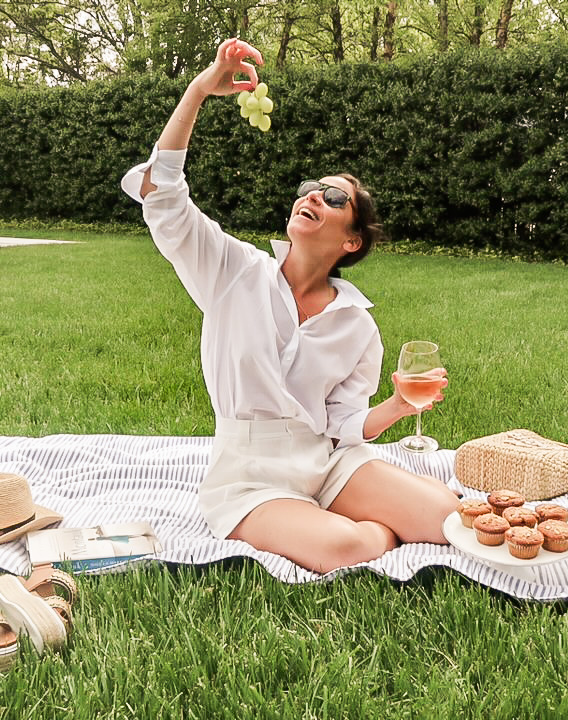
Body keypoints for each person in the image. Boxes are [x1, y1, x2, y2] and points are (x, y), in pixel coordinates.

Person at [120, 38, 458, 574]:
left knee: (447, 518)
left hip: (327, 463)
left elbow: (346, 426)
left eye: (336, 197)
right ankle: (351, 527)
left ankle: (341, 513)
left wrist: (396, 405)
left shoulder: (356, 326)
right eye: (311, 188)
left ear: (353, 242)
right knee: (345, 548)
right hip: (250, 472)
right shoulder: (233, 272)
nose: (314, 196)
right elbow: (163, 197)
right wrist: (199, 90)